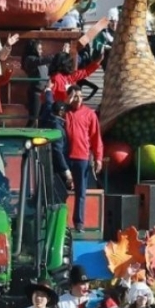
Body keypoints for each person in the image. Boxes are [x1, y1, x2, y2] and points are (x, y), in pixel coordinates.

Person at [63, 86, 102, 233]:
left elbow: (95, 137)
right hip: (65, 157)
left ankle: (79, 223)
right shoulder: (64, 113)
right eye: (75, 96)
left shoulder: (89, 114)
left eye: (80, 96)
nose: (78, 99)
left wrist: (98, 157)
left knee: (81, 192)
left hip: (82, 157)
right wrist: (66, 102)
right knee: (61, 190)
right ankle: (62, 221)